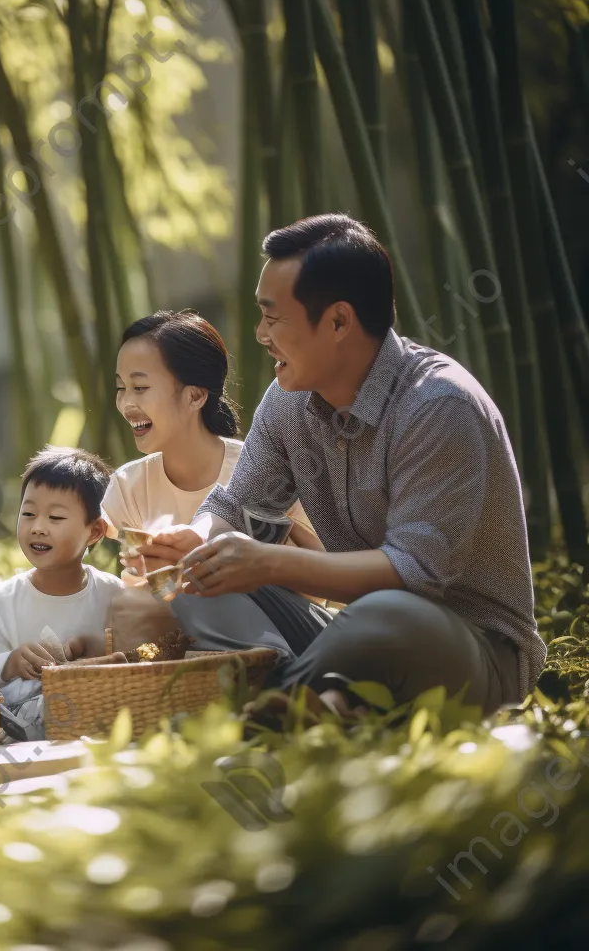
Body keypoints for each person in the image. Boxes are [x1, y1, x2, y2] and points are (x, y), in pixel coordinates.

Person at [114, 214, 544, 715]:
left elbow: (412, 575)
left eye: (273, 318)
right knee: (195, 581)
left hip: (468, 649)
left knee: (390, 613)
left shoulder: (438, 406)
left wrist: (268, 563)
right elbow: (237, 505)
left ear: (338, 321)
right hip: (354, 636)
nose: (259, 334)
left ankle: (275, 704)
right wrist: (198, 540)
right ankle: (312, 700)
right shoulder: (288, 401)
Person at [105, 309, 320, 552]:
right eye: (121, 387)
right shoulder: (128, 486)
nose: (126, 404)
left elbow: (324, 572)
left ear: (195, 396)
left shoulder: (264, 470)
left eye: (140, 387)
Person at [0, 446, 124, 689]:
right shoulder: (3, 603)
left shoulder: (114, 595)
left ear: (94, 531)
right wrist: (11, 663)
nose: (38, 527)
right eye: (29, 513)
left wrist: (92, 656)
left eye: (56, 518)